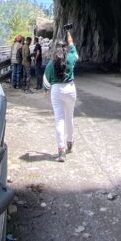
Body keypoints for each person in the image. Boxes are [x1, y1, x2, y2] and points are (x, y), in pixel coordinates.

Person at [42, 30, 79, 162]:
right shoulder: (70, 58)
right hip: (70, 89)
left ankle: (61, 150)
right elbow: (74, 51)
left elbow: (46, 79)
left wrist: (45, 89)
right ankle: (70, 143)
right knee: (70, 118)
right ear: (65, 49)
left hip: (56, 91)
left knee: (59, 119)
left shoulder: (51, 64)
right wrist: (69, 35)